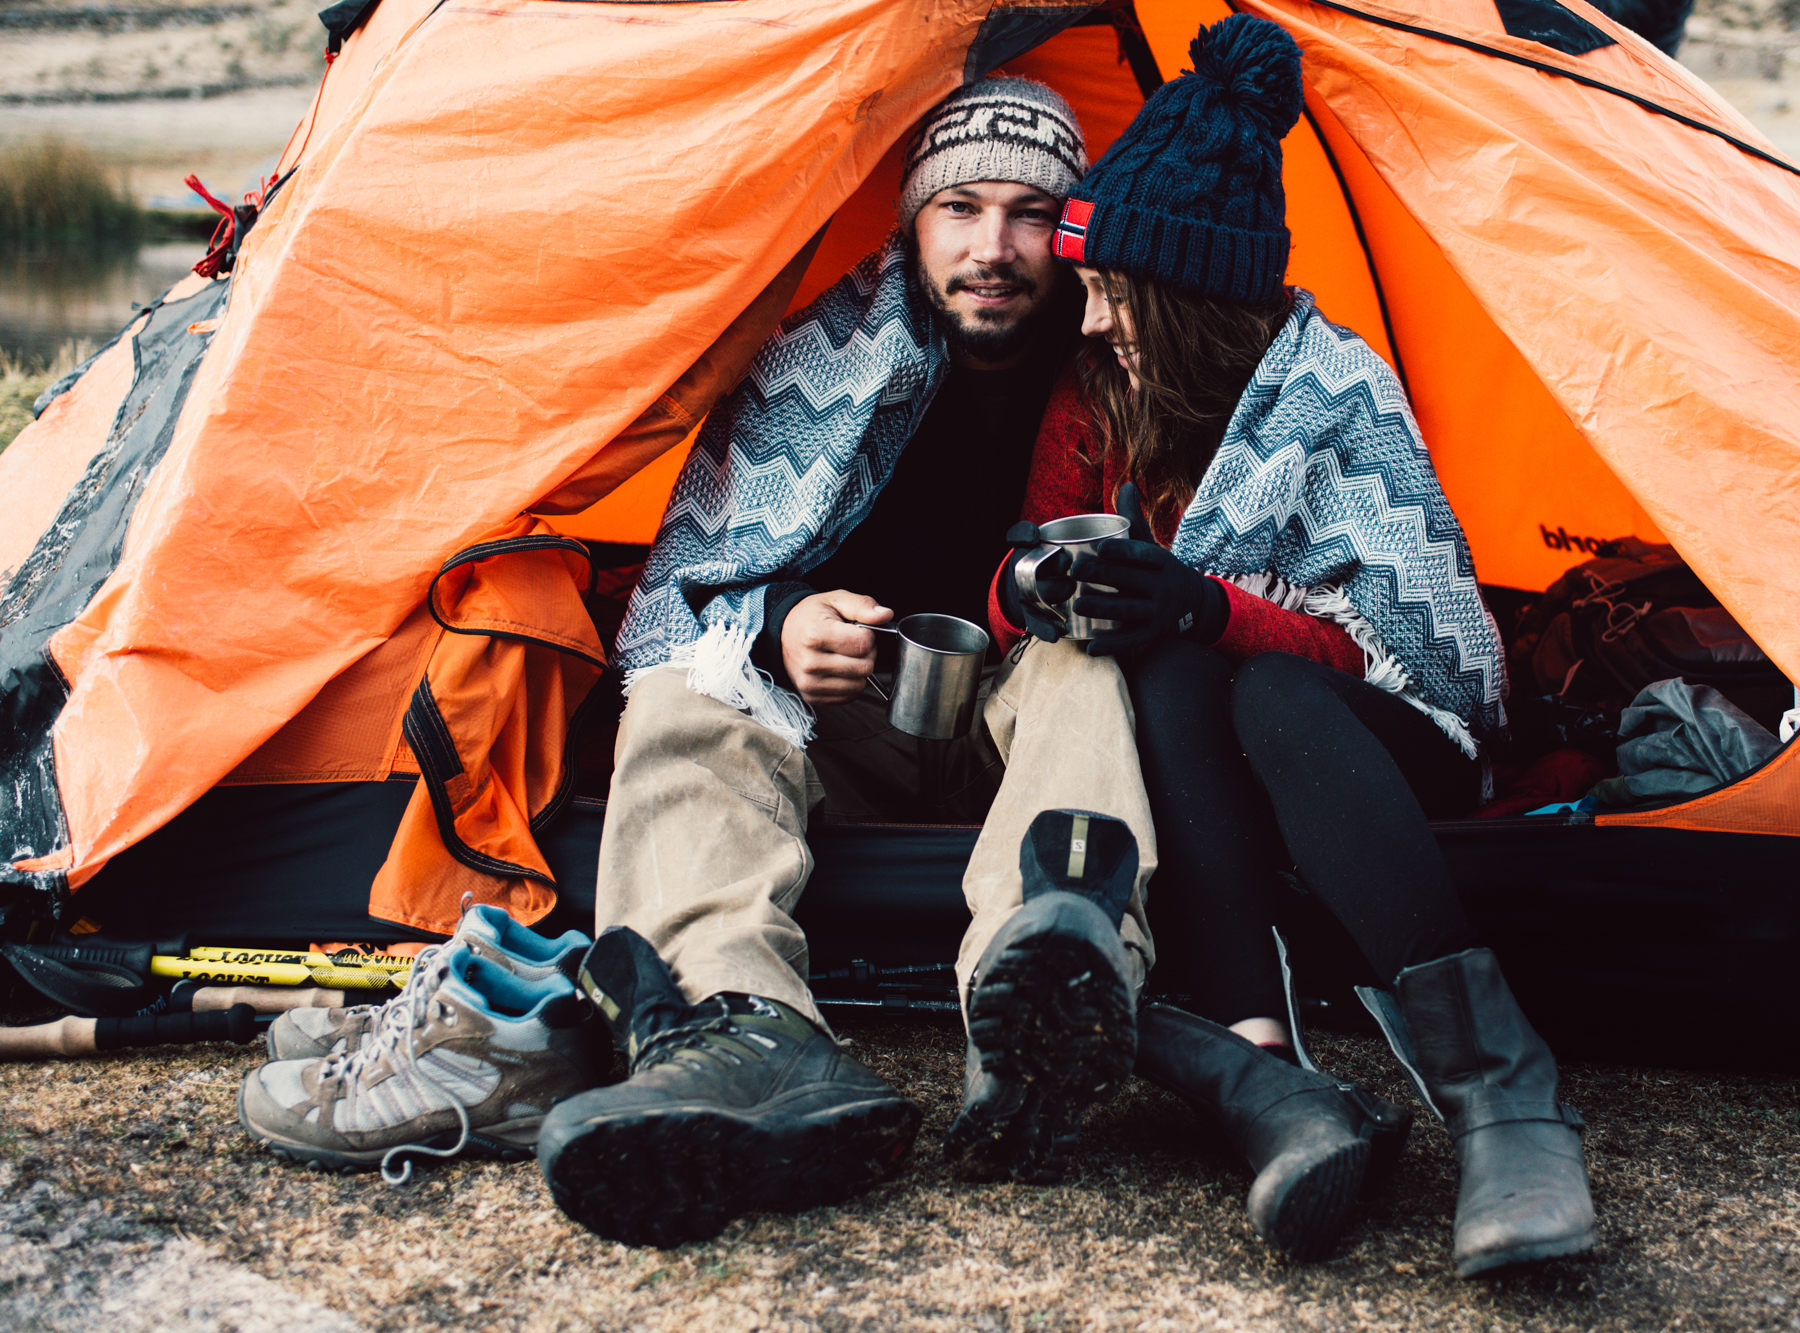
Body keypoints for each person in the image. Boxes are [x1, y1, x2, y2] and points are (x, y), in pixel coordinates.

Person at [988, 16, 1597, 1277]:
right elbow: (1010, 578)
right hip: (1209, 745)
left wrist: (1207, 607)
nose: (1088, 318)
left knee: (1255, 679)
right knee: (1161, 659)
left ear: (1181, 292)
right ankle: (1260, 1057)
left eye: (1108, 290)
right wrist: (1051, 583)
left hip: (1375, 731)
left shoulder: (1337, 394)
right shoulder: (1097, 399)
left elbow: (1401, 651)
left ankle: (1498, 1090)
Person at [530, 77, 1167, 1248]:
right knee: (690, 685)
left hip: (1022, 730)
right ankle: (741, 1029)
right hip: (853, 724)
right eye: (960, 209)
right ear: (912, 223)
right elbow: (696, 581)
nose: (993, 247)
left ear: (1070, 229)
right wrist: (780, 621)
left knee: (1086, 671)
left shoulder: (1129, 356)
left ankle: (1045, 1003)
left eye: (1031, 213)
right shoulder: (822, 355)